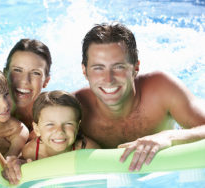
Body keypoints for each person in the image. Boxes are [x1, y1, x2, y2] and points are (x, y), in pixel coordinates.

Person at [74, 22, 205, 171]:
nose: (108, 79)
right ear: (84, 71)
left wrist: (169, 136)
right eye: (98, 68)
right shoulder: (75, 110)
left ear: (136, 68)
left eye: (118, 67)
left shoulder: (162, 90)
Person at [3, 90, 100, 184]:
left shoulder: (88, 149)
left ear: (77, 126)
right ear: (37, 129)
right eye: (50, 124)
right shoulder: (31, 151)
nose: (59, 131)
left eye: (68, 123)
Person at [3, 39, 52, 139]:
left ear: (46, 81)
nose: (25, 81)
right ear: (4, 74)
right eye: (17, 70)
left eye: (36, 73)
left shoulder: (52, 118)